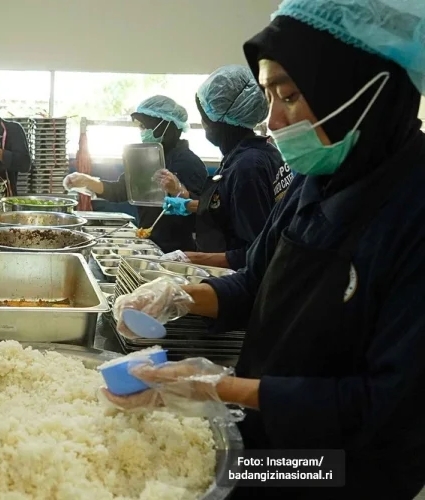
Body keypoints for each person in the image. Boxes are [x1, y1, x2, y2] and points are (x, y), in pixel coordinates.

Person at [108, 0, 425, 498]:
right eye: (267, 96)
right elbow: (256, 280)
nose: (272, 120)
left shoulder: (412, 209)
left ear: (363, 87)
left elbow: (386, 404)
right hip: (264, 434)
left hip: (338, 471)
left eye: (290, 96)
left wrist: (219, 388)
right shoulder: (314, 179)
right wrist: (180, 296)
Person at [158, 65, 291, 269]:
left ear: (220, 120)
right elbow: (232, 207)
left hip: (240, 281)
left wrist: (194, 259)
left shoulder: (248, 167)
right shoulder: (259, 152)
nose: (203, 124)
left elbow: (259, 252)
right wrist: (188, 204)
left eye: (205, 118)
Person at [63, 95, 208, 252]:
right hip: (147, 241)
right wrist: (87, 181)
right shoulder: (146, 158)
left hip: (178, 250)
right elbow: (120, 190)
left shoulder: (190, 163)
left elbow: (204, 212)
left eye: (145, 126)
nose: (142, 131)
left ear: (165, 125)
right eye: (141, 127)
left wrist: (179, 192)